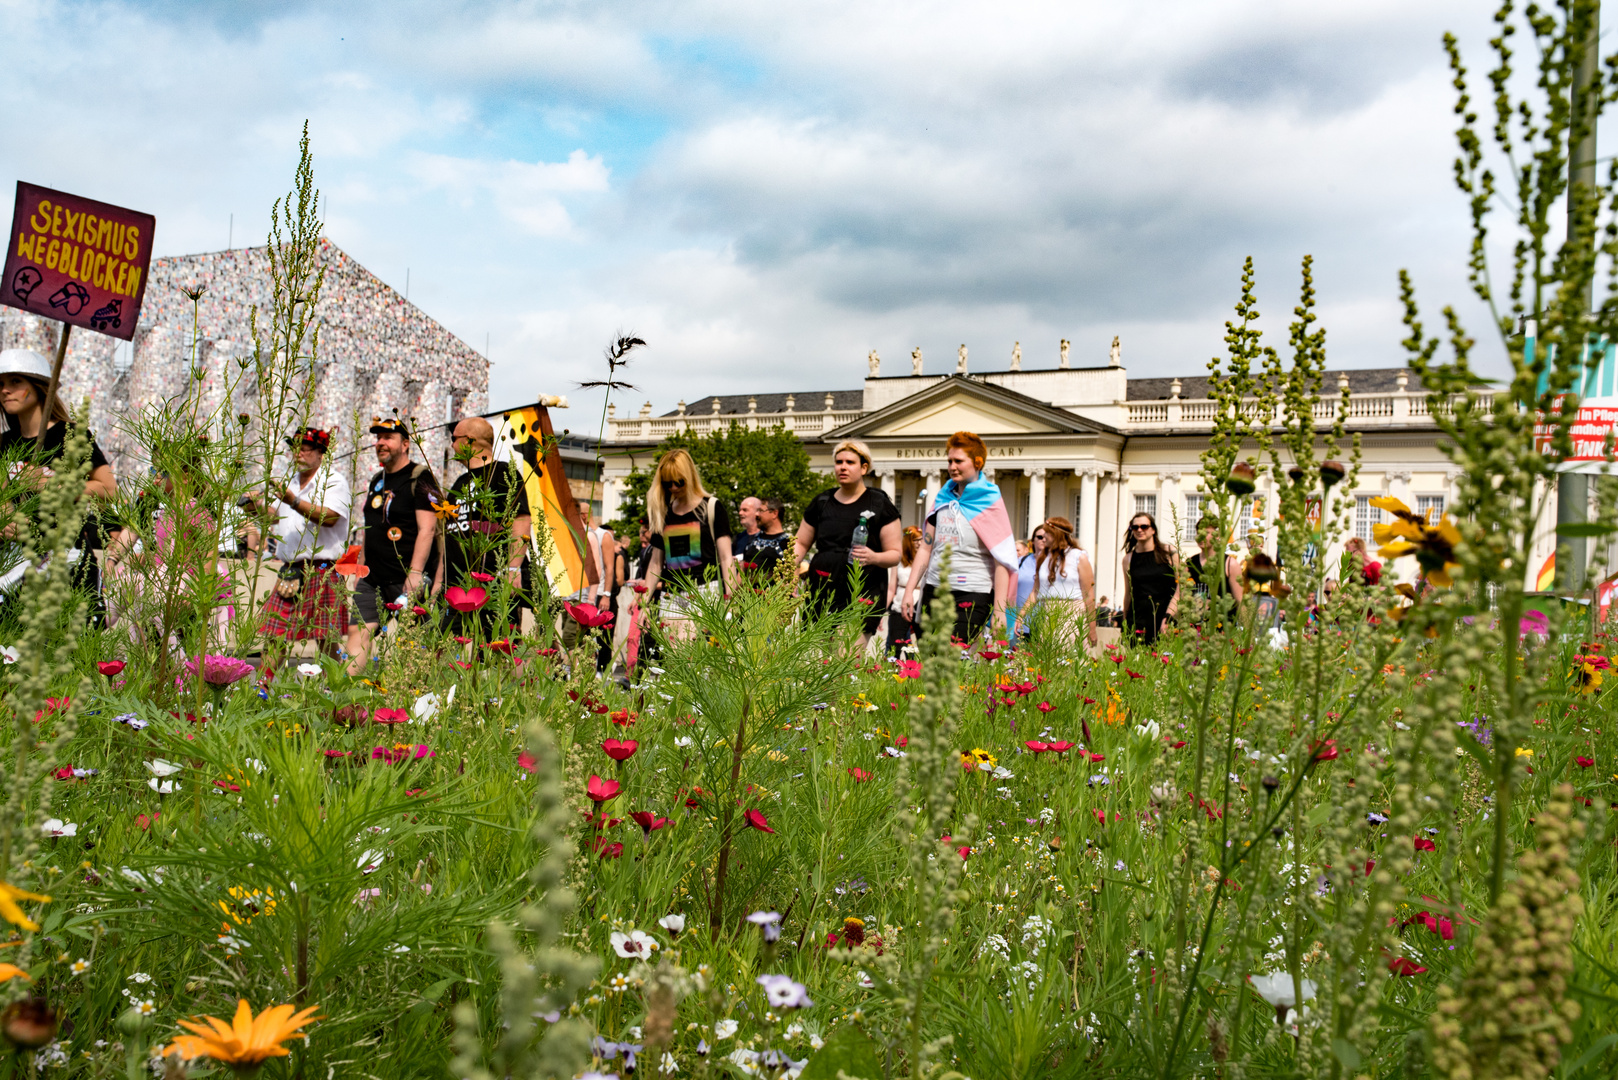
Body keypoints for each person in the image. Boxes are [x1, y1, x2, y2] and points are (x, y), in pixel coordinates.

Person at [0, 348, 118, 620]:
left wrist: (53, 486)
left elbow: (108, 489)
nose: (6, 390)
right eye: (1, 384)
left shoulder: (71, 435)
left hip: (69, 561)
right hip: (16, 567)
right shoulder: (4, 444)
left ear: (40, 388)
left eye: (16, 381)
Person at [899, 431, 1017, 647]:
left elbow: (1002, 559)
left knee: (953, 656)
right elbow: (925, 549)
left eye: (959, 461)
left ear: (977, 463)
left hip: (973, 591)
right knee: (930, 659)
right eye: (949, 461)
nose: (952, 466)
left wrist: (1000, 611)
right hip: (936, 588)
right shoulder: (943, 500)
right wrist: (909, 592)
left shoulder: (990, 501)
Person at [249, 427, 350, 676]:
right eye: (295, 448)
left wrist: (292, 500)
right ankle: (261, 690)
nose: (298, 453)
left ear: (320, 453)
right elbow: (273, 518)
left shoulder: (334, 480)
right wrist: (252, 506)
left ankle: (337, 691)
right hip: (290, 570)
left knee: (326, 639)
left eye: (304, 448)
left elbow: (329, 518)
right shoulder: (291, 481)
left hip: (321, 569)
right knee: (275, 635)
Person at [345, 416, 442, 674]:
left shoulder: (420, 477)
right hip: (373, 577)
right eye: (378, 438)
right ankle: (343, 698)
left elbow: (428, 529)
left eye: (388, 437)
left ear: (405, 444)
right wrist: (360, 569)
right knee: (358, 633)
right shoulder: (377, 480)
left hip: (405, 578)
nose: (380, 443)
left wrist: (416, 573)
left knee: (415, 643)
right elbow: (370, 527)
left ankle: (416, 700)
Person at [794, 439, 901, 649]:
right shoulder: (822, 502)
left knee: (847, 660)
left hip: (862, 590)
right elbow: (800, 543)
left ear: (864, 467)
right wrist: (788, 571)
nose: (843, 467)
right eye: (838, 462)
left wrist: (874, 557)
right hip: (822, 588)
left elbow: (895, 554)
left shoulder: (879, 504)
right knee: (818, 663)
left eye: (850, 462)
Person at [440, 416, 531, 636]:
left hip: (491, 583)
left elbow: (521, 520)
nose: (451, 445)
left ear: (469, 441)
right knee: (443, 647)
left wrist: (511, 568)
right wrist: (438, 581)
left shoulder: (503, 473)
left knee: (496, 649)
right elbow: (448, 535)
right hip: (455, 585)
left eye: (454, 438)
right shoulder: (459, 483)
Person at [639, 449, 737, 641]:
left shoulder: (711, 507)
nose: (673, 487)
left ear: (689, 476)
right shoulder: (662, 512)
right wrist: (644, 603)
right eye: (667, 483)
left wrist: (730, 599)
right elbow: (655, 564)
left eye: (679, 481)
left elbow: (726, 558)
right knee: (675, 659)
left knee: (696, 658)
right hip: (672, 594)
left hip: (705, 590)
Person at [1017, 516, 1097, 648]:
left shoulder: (1079, 557)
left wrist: (1092, 628)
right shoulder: (1043, 558)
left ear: (1057, 535)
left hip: (1073, 613)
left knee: (1070, 659)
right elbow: (1035, 592)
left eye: (1047, 534)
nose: (1044, 538)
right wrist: (1021, 615)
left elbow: (1088, 595)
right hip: (1047, 613)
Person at [1121, 510, 1178, 646]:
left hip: (1164, 616)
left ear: (1153, 530)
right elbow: (1128, 593)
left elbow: (1180, 588)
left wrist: (1169, 617)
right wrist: (1124, 624)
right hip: (1138, 618)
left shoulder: (1168, 552)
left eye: (1144, 526)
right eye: (1135, 527)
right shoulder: (1128, 559)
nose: (1139, 530)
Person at [1186, 516, 1244, 622]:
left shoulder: (1230, 564)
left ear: (1217, 536)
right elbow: (1180, 595)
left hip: (1222, 628)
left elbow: (1240, 601)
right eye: (1199, 533)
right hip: (1195, 629)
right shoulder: (1190, 563)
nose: (1201, 536)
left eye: (1206, 533)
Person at [886, 526, 923, 655]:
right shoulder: (900, 561)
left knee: (924, 644)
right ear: (908, 542)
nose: (919, 543)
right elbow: (891, 588)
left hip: (920, 605)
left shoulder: (926, 560)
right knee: (894, 644)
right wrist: (880, 613)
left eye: (921, 539)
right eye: (915, 540)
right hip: (900, 604)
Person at [1011, 525, 1047, 640]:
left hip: (1044, 623)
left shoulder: (1054, 564)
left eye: (1046, 537)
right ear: (1033, 541)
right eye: (1040, 537)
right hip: (1018, 622)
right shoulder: (1021, 561)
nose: (1043, 540)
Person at [748, 496, 791, 575]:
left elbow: (788, 576)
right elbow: (742, 570)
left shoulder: (787, 543)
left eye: (760, 510)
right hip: (746, 587)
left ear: (774, 513)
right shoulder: (752, 540)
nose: (756, 514)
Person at [733, 496, 764, 564]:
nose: (740, 513)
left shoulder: (767, 537)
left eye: (745, 510)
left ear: (757, 512)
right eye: (740, 510)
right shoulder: (738, 538)